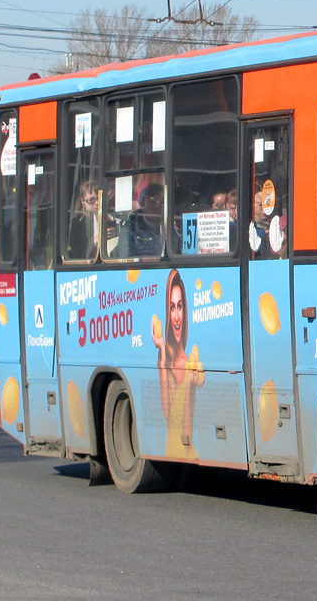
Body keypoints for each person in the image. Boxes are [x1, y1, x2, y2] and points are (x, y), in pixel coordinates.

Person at [150, 269, 204, 459]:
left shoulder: (191, 363)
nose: (176, 316)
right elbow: (167, 412)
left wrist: (190, 382)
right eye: (172, 307)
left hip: (186, 451)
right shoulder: (165, 360)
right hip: (171, 450)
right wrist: (162, 349)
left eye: (180, 306)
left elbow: (187, 430)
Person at [123, 182, 164, 257]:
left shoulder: (171, 226)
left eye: (162, 202)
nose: (158, 206)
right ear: (143, 205)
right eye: (152, 202)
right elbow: (126, 257)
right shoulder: (130, 226)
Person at [67, 180, 100, 259]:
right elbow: (78, 254)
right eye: (91, 200)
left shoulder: (108, 218)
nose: (97, 203)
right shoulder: (75, 224)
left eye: (99, 198)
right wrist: (94, 242)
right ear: (82, 201)